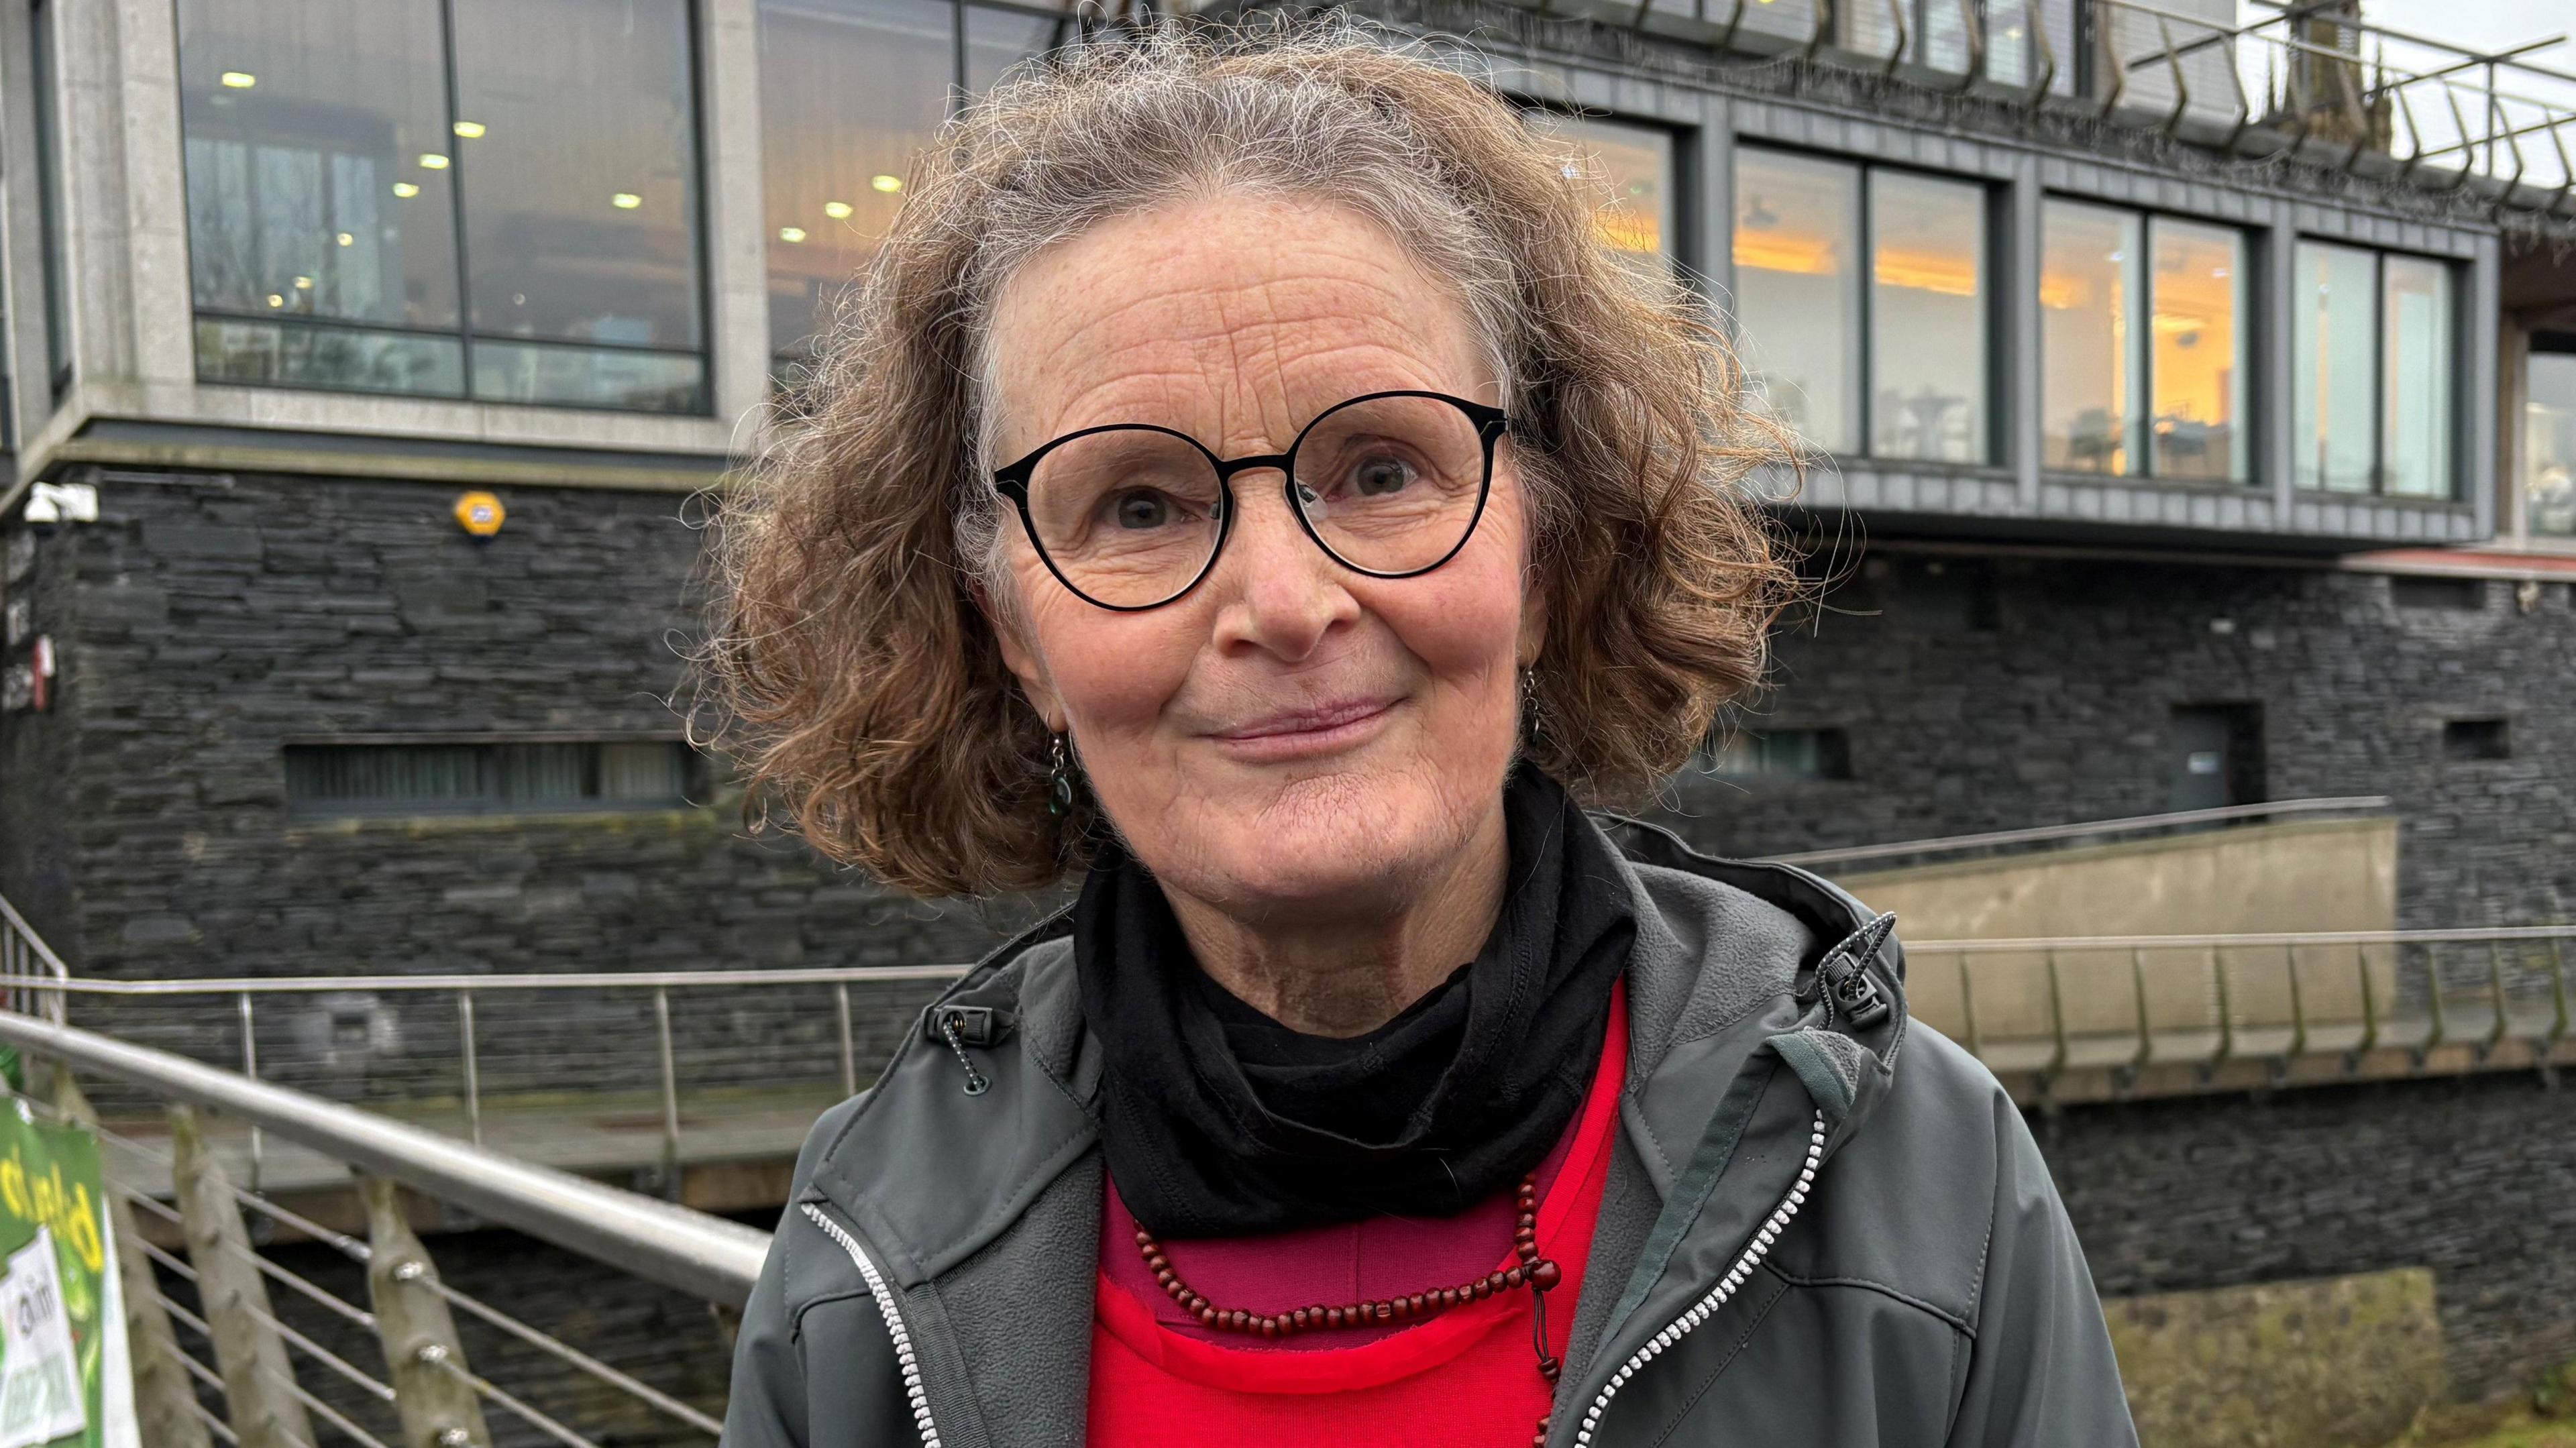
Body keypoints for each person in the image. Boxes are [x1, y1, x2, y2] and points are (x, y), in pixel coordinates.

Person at [706, 22, 2137, 1447]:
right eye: (1137, 505)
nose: (1282, 600)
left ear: (1546, 551)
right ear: (1015, 634)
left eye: (1381, 467)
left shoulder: (1912, 1170)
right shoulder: (860, 1260)